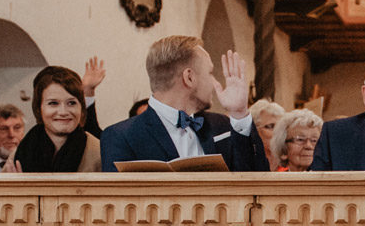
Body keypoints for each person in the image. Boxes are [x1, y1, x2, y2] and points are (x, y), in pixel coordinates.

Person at [100, 36, 269, 171]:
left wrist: (239, 114)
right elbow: (120, 206)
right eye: (209, 73)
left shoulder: (222, 126)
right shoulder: (121, 137)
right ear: (189, 77)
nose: (214, 82)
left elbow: (257, 180)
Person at [12, 66, 102, 172]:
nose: (63, 112)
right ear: (38, 108)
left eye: (71, 103)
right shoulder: (21, 152)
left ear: (81, 107)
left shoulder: (99, 153)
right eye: (53, 103)